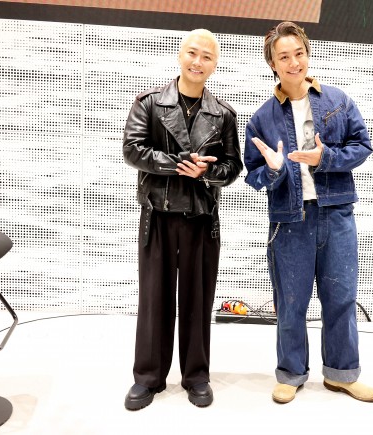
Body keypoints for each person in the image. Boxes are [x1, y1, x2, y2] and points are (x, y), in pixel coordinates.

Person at [244, 21, 373, 404]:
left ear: (307, 53)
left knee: (341, 297)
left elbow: (362, 146)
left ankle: (342, 374)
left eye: (299, 53)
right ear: (272, 64)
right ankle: (291, 373)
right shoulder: (262, 118)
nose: (294, 62)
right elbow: (252, 174)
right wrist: (272, 171)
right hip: (290, 222)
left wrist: (326, 158)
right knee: (291, 301)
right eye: (284, 57)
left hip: (336, 216)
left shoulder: (337, 100)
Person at [122, 28, 242, 410]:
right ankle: (148, 377)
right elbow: (132, 150)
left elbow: (232, 167)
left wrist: (207, 173)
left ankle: (196, 376)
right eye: (192, 53)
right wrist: (176, 165)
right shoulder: (150, 103)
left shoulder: (223, 115)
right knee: (153, 299)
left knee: (198, 299)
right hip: (157, 216)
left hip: (201, 218)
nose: (198, 62)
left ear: (215, 64)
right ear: (179, 55)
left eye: (207, 56)